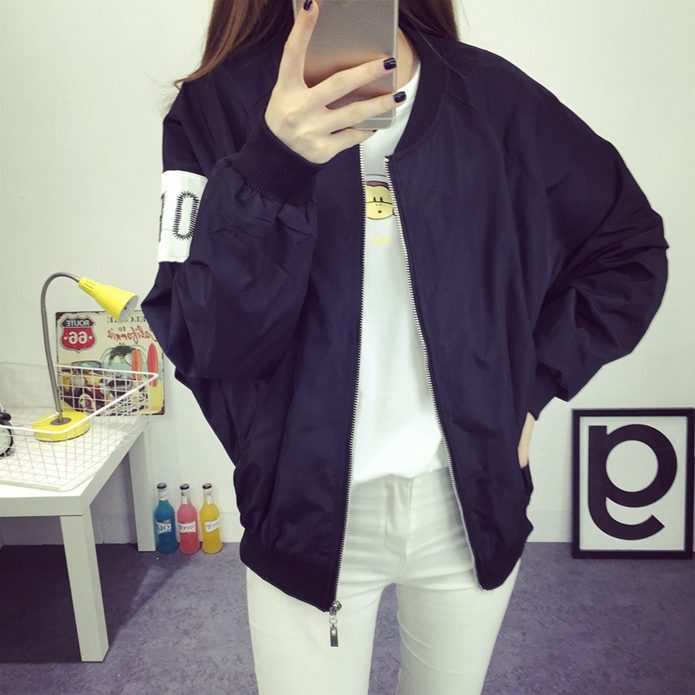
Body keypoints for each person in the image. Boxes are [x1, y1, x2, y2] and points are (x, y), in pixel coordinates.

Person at [142, 0, 668, 693]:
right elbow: (206, 340)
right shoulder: (216, 106)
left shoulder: (493, 98)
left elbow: (627, 247)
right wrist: (272, 164)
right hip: (303, 509)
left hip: (468, 503)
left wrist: (534, 387)